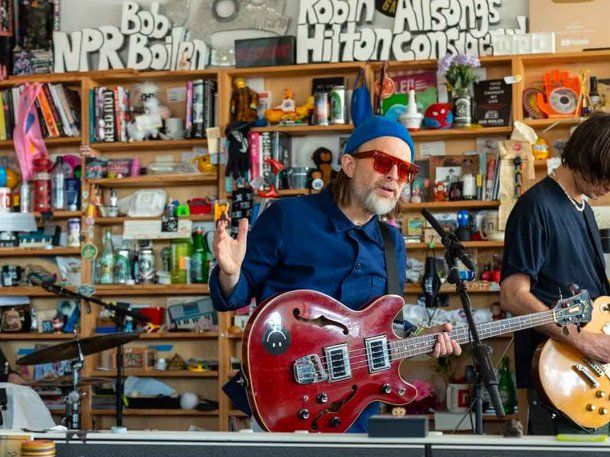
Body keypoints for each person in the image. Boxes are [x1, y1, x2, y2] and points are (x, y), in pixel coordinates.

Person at [209, 116, 462, 433]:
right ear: (349, 164)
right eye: (384, 162)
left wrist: (422, 336)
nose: (395, 177)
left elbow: (382, 324)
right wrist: (230, 273)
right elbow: (236, 294)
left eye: (405, 170)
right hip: (285, 402)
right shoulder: (288, 217)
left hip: (355, 410)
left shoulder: (391, 242)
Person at [500, 113, 610, 435]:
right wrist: (585, 341)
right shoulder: (535, 208)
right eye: (605, 176)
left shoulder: (583, 208)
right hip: (558, 375)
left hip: (588, 375)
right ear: (585, 157)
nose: (607, 186)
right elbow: (513, 295)